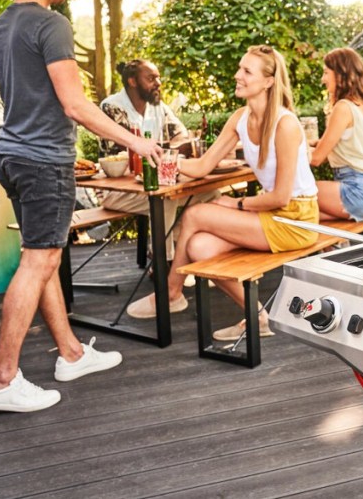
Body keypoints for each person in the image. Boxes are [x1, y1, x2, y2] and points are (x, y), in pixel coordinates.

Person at [0, 0, 162, 413]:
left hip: (13, 156)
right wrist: (137, 140)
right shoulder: (50, 24)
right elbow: (74, 104)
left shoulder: (2, 25)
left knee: (45, 256)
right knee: (38, 260)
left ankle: (71, 354)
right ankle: (0, 380)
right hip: (42, 161)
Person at [126, 45, 319, 344]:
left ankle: (171, 293)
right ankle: (258, 316)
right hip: (272, 216)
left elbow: (281, 196)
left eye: (246, 71)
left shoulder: (285, 124)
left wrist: (236, 203)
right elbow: (204, 165)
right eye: (240, 68)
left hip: (296, 220)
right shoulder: (240, 118)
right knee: (201, 248)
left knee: (194, 214)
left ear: (268, 81)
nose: (237, 75)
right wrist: (167, 160)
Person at [97, 59, 220, 262]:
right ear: (132, 81)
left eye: (158, 78)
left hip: (156, 182)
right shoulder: (112, 107)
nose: (158, 83)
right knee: (165, 198)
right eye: (151, 78)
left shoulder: (158, 107)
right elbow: (125, 156)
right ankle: (165, 263)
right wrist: (171, 149)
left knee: (210, 193)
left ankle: (192, 250)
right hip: (117, 190)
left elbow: (181, 136)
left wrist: (175, 147)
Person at [309, 48, 363, 221]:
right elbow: (342, 144)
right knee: (302, 215)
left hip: (358, 191)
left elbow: (316, 159)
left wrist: (287, 149)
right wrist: (315, 143)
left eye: (326, 73)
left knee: (297, 194)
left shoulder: (343, 107)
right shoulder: (362, 105)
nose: (323, 79)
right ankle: (331, 246)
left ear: (340, 74)